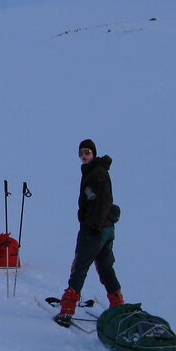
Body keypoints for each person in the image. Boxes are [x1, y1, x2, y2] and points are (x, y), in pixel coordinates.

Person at [55, 139, 124, 327]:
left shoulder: (97, 173)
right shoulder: (94, 170)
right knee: (105, 267)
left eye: (87, 152)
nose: (83, 156)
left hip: (96, 229)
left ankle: (66, 311)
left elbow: (105, 200)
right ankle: (118, 305)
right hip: (106, 228)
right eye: (81, 153)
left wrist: (94, 224)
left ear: (93, 153)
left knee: (80, 266)